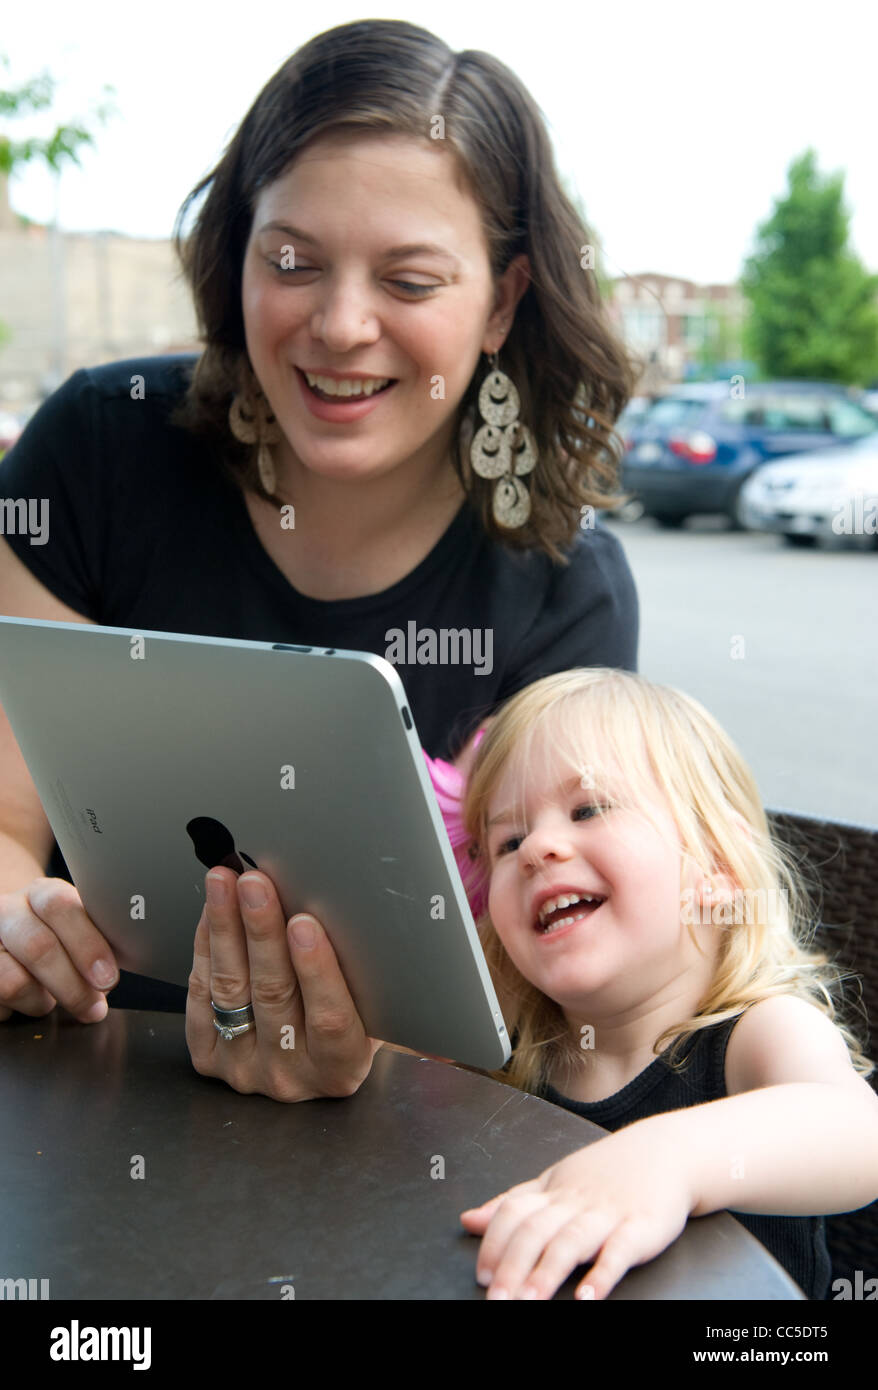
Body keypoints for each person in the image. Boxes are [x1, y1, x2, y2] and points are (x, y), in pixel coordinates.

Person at [0, 20, 641, 1103]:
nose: (340, 325)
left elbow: (545, 986)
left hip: (385, 1152)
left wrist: (374, 1057)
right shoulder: (100, 446)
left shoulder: (565, 588)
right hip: (69, 1085)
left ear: (504, 300)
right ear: (235, 250)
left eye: (409, 280)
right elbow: (7, 829)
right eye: (291, 261)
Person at [443, 667, 878, 1300]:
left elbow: (857, 1131)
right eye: (507, 842)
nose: (538, 848)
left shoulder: (757, 1033)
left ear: (717, 867)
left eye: (588, 808)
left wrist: (668, 1159)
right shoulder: (506, 1040)